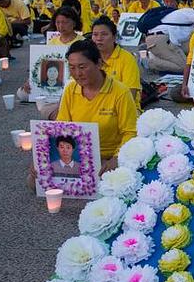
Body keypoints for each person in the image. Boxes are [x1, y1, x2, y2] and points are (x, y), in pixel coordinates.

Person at [42, 40, 138, 189]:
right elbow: (61, 128)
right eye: (72, 68)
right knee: (34, 180)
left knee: (112, 185)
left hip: (107, 157)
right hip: (78, 156)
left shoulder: (120, 92)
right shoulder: (70, 90)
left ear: (99, 64)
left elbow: (130, 132)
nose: (77, 74)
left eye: (82, 67)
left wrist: (117, 158)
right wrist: (41, 157)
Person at [90, 17, 141, 106]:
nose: (99, 38)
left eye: (104, 34)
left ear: (114, 37)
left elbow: (130, 95)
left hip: (122, 108)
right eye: (95, 34)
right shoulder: (89, 58)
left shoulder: (127, 58)